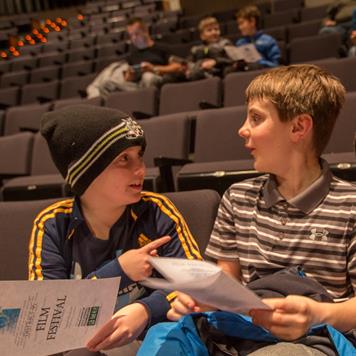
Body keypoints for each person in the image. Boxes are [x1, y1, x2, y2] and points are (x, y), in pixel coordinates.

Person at [142, 65, 356, 355]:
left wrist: (316, 314)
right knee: (164, 338)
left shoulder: (350, 204)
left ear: (298, 127)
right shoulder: (238, 196)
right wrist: (202, 299)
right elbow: (226, 278)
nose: (242, 129)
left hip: (315, 338)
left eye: (256, 118)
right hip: (240, 328)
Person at [28, 105, 201, 354]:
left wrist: (145, 310)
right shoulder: (52, 223)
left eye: (139, 155)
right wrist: (118, 272)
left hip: (149, 340)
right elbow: (44, 315)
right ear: (87, 172)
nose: (141, 169)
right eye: (123, 159)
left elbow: (196, 284)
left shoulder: (157, 211)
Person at [86, 17, 185, 98]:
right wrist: (130, 75)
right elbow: (128, 79)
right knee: (107, 83)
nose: (133, 38)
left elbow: (177, 66)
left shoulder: (161, 48)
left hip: (154, 80)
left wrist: (153, 68)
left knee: (147, 77)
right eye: (131, 35)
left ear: (145, 31)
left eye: (136, 34)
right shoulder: (133, 55)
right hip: (136, 87)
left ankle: (148, 105)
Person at [234, 5, 280, 70]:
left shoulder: (268, 41)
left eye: (241, 23)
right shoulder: (240, 43)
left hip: (263, 76)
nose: (239, 27)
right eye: (238, 24)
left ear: (252, 21)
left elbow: (276, 65)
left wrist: (259, 62)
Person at [187, 16, 233, 80]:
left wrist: (215, 62)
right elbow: (189, 62)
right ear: (202, 36)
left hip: (221, 72)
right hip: (202, 73)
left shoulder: (225, 43)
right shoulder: (197, 49)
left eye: (216, 29)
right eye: (209, 30)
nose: (214, 32)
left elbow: (231, 60)